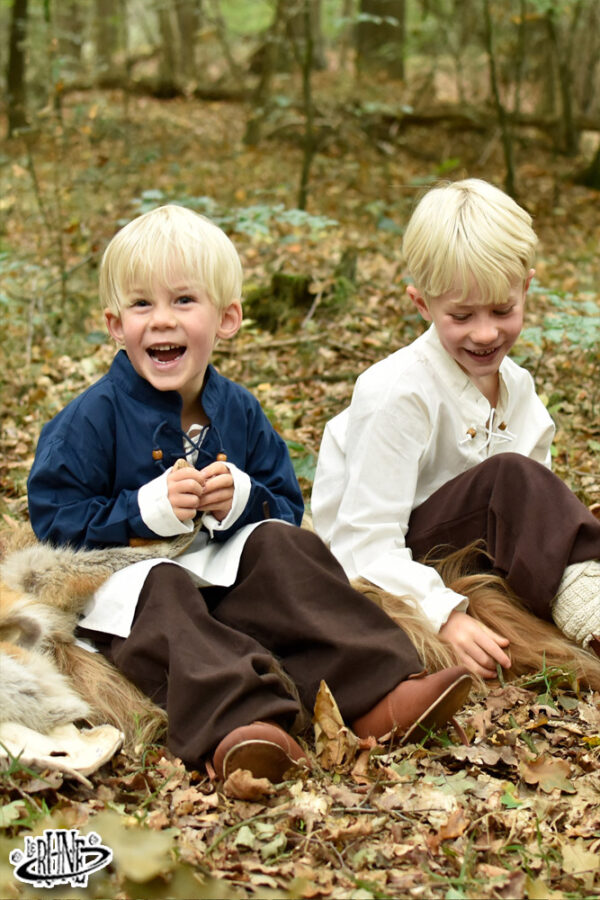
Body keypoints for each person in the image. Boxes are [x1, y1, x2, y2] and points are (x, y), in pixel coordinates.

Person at [27, 204, 472, 783]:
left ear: (227, 319)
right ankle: (243, 722)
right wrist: (141, 511)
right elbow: (55, 522)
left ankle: (378, 688)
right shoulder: (91, 418)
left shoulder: (238, 410)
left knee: (286, 548)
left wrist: (242, 498)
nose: (161, 320)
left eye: (184, 301)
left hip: (220, 569)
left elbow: (285, 504)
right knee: (162, 587)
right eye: (141, 304)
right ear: (116, 326)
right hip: (129, 587)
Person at [312, 178, 600, 681]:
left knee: (528, 485)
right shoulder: (398, 392)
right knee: (511, 476)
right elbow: (363, 542)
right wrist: (443, 614)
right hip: (405, 560)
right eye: (462, 315)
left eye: (503, 310)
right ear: (422, 304)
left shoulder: (519, 388)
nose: (486, 333)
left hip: (484, 559)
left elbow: (533, 519)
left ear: (525, 287)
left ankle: (583, 596)